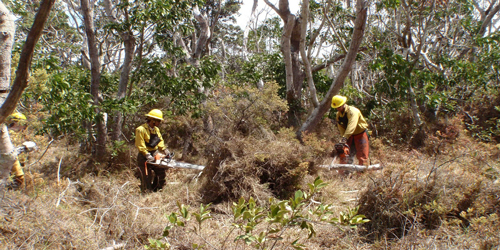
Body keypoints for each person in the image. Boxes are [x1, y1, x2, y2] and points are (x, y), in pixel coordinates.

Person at [135, 109, 170, 192]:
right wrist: (147, 155)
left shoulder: (156, 130)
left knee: (161, 171)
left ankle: (157, 190)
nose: (159, 123)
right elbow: (140, 144)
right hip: (144, 155)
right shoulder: (141, 129)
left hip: (155, 153)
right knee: (146, 177)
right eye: (158, 121)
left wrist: (165, 150)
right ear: (152, 120)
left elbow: (160, 140)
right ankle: (146, 192)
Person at [331, 95, 370, 166]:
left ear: (343, 104)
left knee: (362, 156)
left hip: (360, 134)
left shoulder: (353, 112)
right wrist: (343, 138)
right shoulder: (338, 115)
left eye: (339, 107)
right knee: (344, 154)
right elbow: (341, 127)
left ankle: (363, 174)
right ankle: (344, 173)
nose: (337, 109)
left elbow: (352, 126)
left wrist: (345, 137)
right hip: (349, 136)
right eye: (336, 107)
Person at [7, 112, 28, 189]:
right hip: (11, 161)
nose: (24, 126)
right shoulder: (10, 134)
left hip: (16, 162)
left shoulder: (17, 134)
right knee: (19, 179)